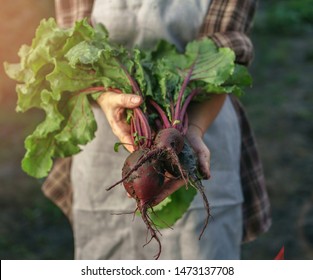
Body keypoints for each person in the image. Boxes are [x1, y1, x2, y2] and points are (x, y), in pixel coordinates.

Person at [42, 0, 271, 259]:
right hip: (102, 147)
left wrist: (193, 130)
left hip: (202, 122)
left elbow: (226, 59)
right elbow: (73, 46)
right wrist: (106, 98)